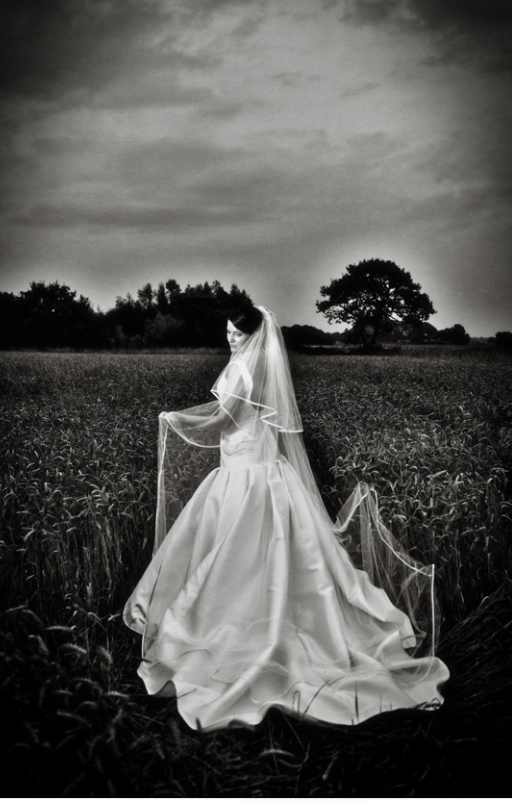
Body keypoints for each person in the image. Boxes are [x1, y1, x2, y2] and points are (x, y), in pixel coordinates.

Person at [123, 304, 449, 731]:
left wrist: (176, 419)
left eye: (237, 334)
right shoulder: (259, 368)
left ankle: (238, 632)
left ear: (253, 335)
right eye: (226, 332)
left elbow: (224, 419)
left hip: (245, 479)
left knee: (235, 558)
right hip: (265, 474)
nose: (230, 339)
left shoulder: (241, 371)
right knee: (262, 557)